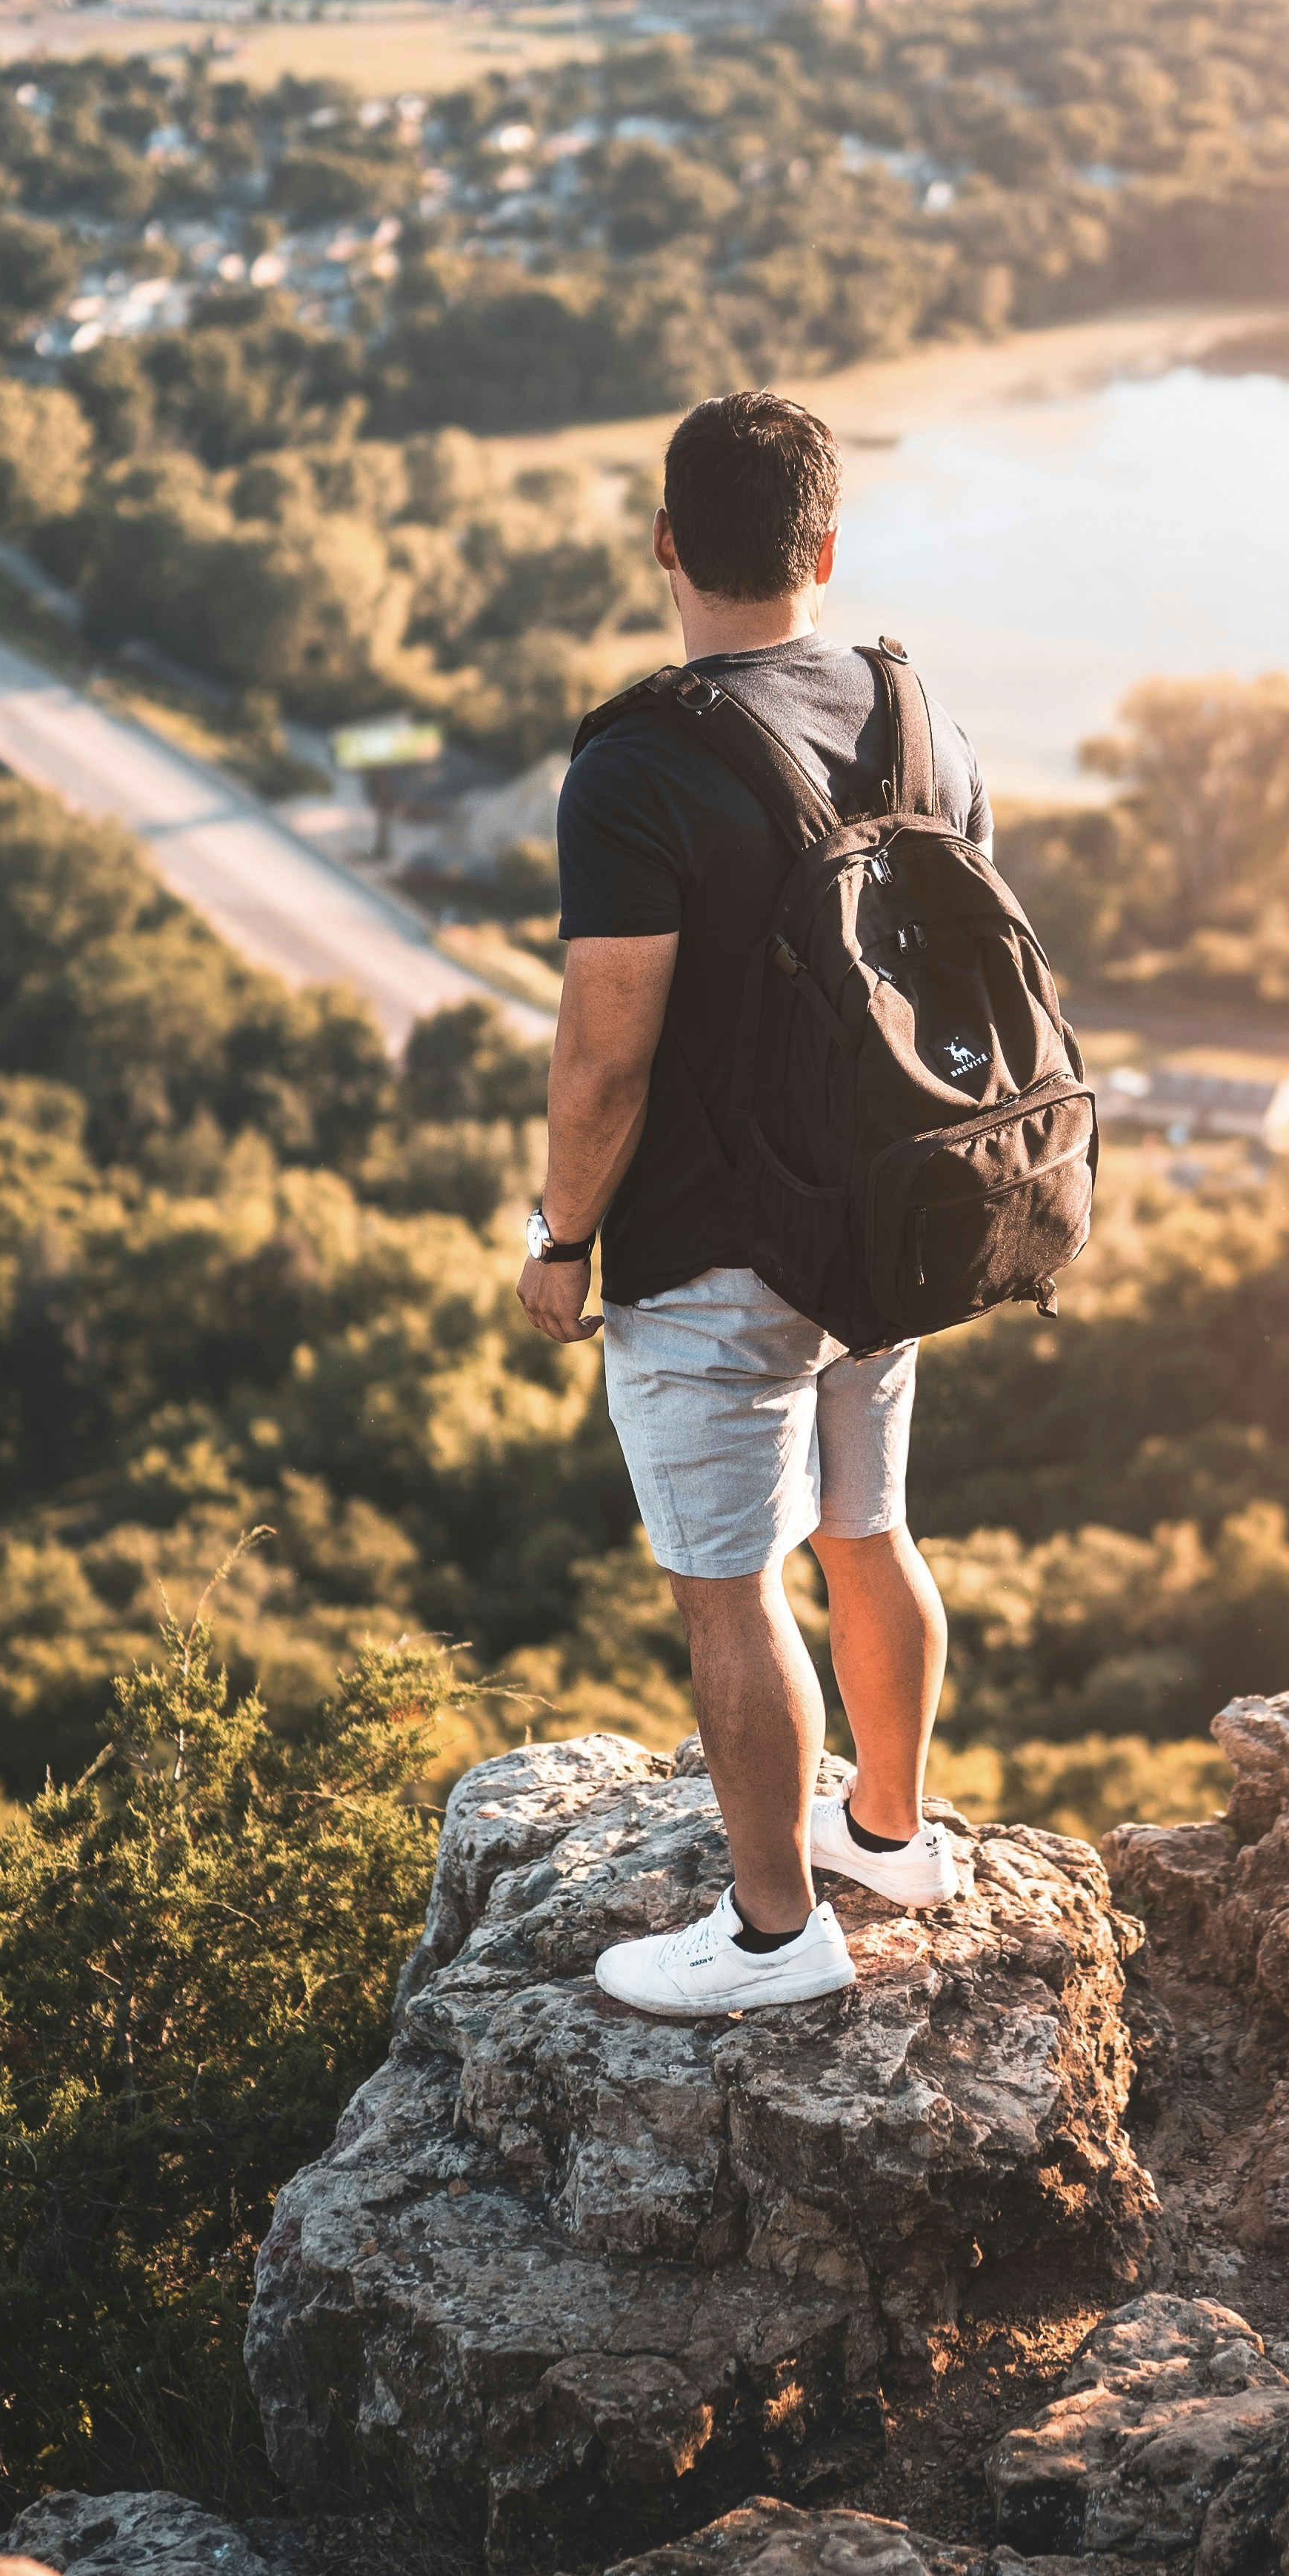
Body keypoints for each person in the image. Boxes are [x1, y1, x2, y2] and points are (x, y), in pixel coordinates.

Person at [518, 387, 991, 2018]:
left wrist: (560, 1240)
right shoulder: (912, 713)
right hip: (881, 1223)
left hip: (714, 1248)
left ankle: (777, 1937)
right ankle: (891, 1832)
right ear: (826, 544)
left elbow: (602, 1059)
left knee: (732, 1587)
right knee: (868, 1526)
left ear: (665, 542)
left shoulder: (638, 762)